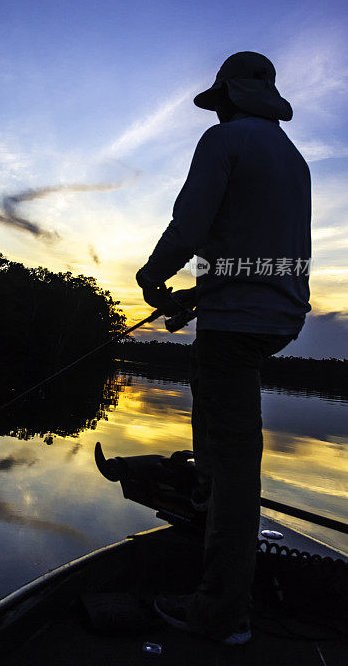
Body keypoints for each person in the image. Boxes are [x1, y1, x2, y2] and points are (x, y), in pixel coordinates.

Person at [135, 51, 311, 645]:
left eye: (218, 104)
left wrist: (153, 279)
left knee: (232, 468)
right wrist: (196, 297)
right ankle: (218, 566)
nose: (215, 115)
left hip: (234, 327)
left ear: (230, 96)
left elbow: (191, 225)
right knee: (215, 446)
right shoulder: (294, 158)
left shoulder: (225, 143)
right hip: (273, 319)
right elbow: (250, 253)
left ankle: (220, 611)